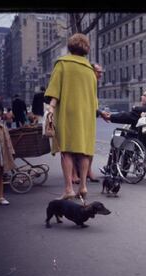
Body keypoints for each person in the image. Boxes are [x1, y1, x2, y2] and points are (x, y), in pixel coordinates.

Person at [45, 33, 99, 200]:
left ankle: (69, 188)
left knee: (66, 150)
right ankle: (83, 186)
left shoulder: (63, 64)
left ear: (70, 47)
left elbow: (54, 90)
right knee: (84, 150)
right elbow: (94, 98)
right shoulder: (90, 70)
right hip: (86, 114)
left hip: (68, 112)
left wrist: (51, 109)